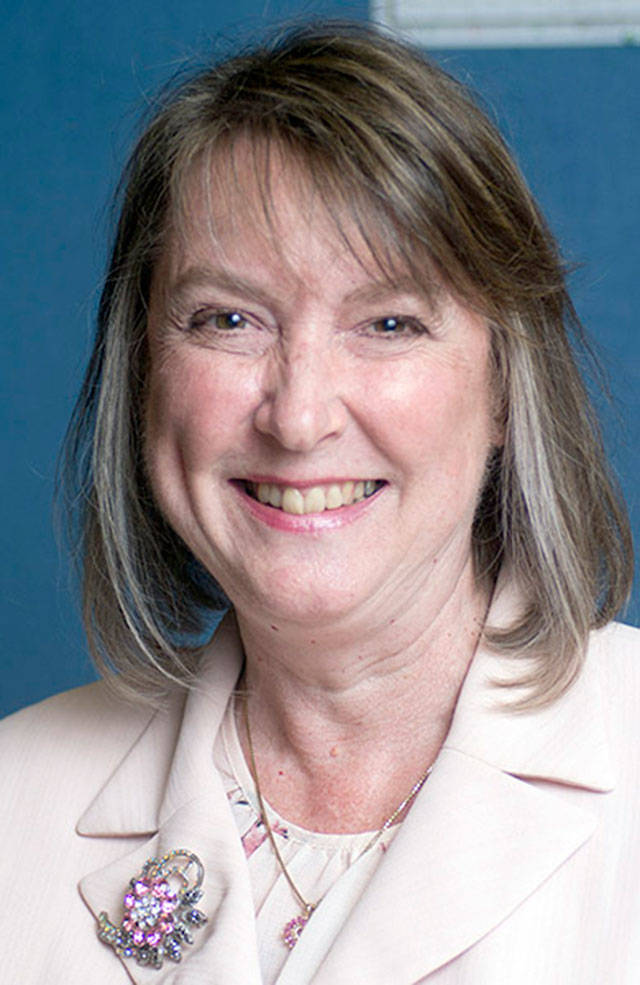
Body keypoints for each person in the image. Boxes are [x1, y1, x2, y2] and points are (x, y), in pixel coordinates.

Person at [1, 21, 637, 985]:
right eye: (228, 319)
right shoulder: (14, 804)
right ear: (145, 376)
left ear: (507, 386)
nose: (298, 418)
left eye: (388, 323)